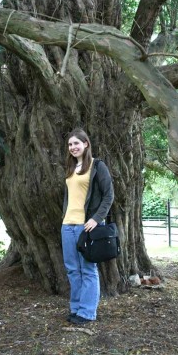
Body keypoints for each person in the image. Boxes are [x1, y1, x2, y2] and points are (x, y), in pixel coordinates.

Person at [61, 129, 114, 324]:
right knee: (72, 269)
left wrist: (96, 219)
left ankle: (87, 312)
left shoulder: (98, 166)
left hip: (87, 226)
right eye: (70, 144)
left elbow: (109, 196)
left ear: (86, 144)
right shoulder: (71, 168)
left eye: (76, 143)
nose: (73, 147)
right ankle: (76, 309)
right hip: (67, 225)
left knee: (88, 269)